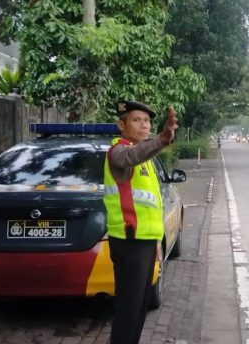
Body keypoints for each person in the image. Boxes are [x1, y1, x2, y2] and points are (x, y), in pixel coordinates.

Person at [103, 100, 178, 344]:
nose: (144, 125)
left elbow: (150, 206)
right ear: (121, 125)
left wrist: (156, 241)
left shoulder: (143, 158)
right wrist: (162, 139)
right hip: (129, 241)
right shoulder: (119, 152)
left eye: (147, 120)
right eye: (136, 120)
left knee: (138, 309)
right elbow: (132, 155)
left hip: (144, 242)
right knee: (128, 310)